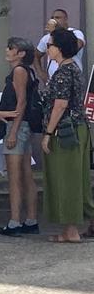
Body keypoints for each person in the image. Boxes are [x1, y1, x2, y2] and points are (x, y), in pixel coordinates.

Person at [0, 37, 41, 236]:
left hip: (17, 125)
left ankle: (14, 221)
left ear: (20, 53)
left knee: (15, 176)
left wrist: (12, 132)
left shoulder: (19, 71)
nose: (7, 50)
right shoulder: (28, 71)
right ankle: (31, 219)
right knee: (26, 174)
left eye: (11, 48)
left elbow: (21, 103)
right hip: (24, 126)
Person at [39, 28, 92, 243]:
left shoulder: (63, 72)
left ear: (58, 48)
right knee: (75, 178)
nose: (47, 49)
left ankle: (71, 230)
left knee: (66, 178)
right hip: (78, 128)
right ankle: (71, 227)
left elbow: (60, 105)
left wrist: (48, 133)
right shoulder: (74, 69)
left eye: (50, 45)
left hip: (66, 131)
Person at [36, 9, 86, 81]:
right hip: (52, 79)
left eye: (57, 17)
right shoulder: (47, 38)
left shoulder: (75, 33)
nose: (54, 20)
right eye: (52, 18)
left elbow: (74, 47)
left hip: (70, 77)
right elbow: (36, 55)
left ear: (65, 19)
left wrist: (56, 34)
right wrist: (40, 73)